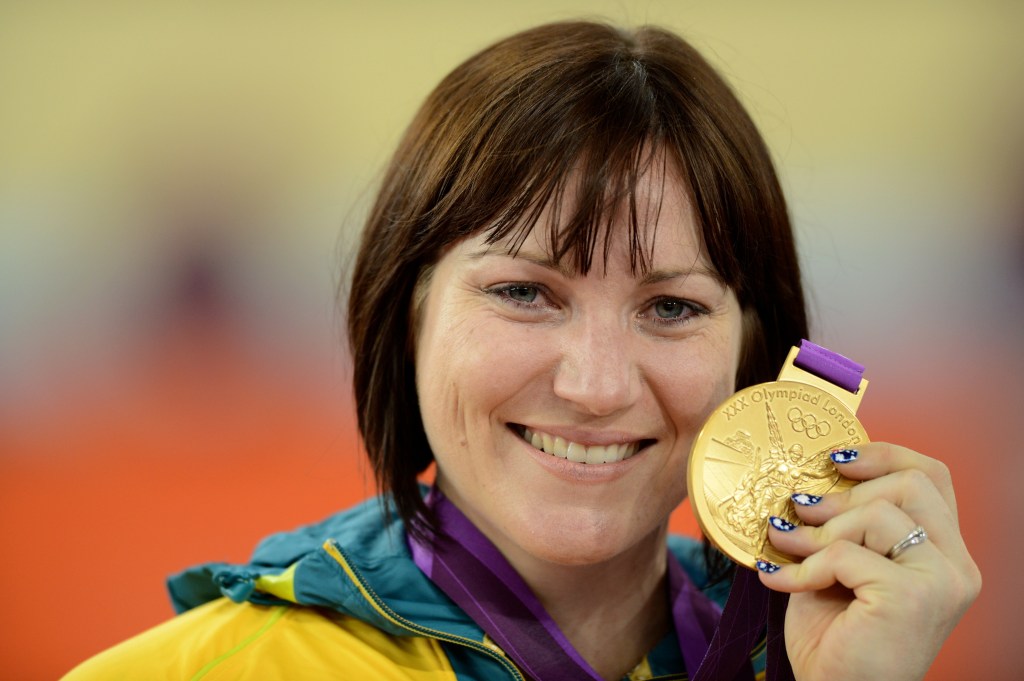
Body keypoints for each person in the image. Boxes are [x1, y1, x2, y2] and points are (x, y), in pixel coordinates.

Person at [64, 20, 980, 681]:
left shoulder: (815, 660)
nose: (594, 384)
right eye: (524, 292)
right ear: (406, 312)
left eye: (669, 306)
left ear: (755, 354)